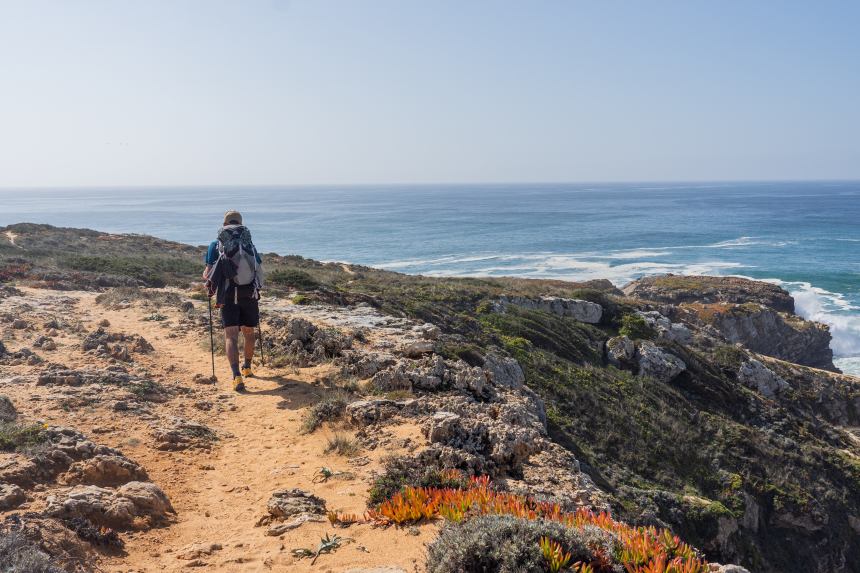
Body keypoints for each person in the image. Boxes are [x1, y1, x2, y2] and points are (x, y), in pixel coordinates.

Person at [203, 210, 263, 391]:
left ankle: (236, 376)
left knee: (231, 335)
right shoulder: (249, 244)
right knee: (249, 332)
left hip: (228, 295)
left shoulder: (216, 244)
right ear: (240, 224)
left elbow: (208, 273)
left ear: (224, 226)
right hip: (248, 293)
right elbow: (257, 267)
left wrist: (207, 279)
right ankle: (247, 367)